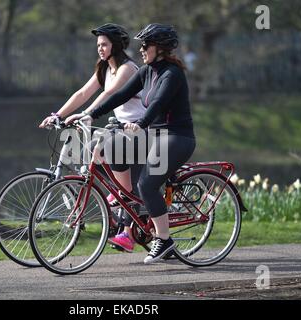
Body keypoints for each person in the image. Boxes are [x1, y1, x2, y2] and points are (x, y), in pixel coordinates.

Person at [70, 23, 196, 264]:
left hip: (177, 137)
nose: (141, 49)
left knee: (147, 184)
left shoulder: (172, 73)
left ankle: (165, 241)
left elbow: (158, 102)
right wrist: (91, 114)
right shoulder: (146, 71)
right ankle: (127, 200)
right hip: (153, 136)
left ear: (159, 48)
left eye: (145, 45)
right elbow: (120, 95)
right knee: (112, 148)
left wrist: (141, 122)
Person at [39, 23, 146, 252]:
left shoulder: (128, 68)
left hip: (140, 129)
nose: (100, 48)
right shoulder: (104, 69)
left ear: (115, 46)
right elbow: (83, 93)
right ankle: (114, 195)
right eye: (98, 45)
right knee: (95, 148)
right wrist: (58, 115)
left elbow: (110, 94)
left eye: (104, 44)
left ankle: (126, 228)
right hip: (119, 127)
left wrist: (87, 114)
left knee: (125, 178)